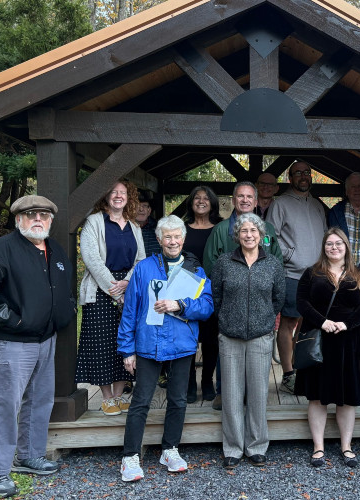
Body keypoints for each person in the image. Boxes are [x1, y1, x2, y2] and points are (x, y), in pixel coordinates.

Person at [0, 195, 76, 498]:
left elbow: (65, 291)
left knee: (39, 401)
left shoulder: (55, 251)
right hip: (13, 342)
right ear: (18, 220)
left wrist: (66, 311)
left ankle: (29, 456)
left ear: (51, 220)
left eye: (42, 215)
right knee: (6, 405)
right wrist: (13, 321)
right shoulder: (1, 250)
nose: (37, 219)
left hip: (46, 340)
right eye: (30, 215)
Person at [117, 215, 214, 482]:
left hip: (182, 345)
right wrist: (127, 349)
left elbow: (207, 307)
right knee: (141, 401)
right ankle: (130, 456)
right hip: (149, 344)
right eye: (167, 237)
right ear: (159, 240)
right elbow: (130, 311)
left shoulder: (195, 269)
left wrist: (180, 305)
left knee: (178, 400)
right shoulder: (144, 268)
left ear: (183, 239)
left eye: (177, 236)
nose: (172, 241)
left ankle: (170, 449)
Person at [211, 213, 286, 469]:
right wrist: (227, 320)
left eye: (253, 230)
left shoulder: (273, 264)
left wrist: (263, 322)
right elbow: (216, 297)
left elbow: (278, 299)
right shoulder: (224, 262)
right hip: (230, 336)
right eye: (244, 230)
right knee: (231, 395)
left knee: (257, 394)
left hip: (261, 336)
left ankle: (256, 446)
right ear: (237, 235)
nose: (249, 235)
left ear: (261, 234)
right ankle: (232, 448)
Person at [294, 228, 360, 468]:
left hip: (348, 343)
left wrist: (345, 324)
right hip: (319, 342)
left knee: (347, 398)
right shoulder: (311, 273)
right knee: (317, 397)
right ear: (324, 247)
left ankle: (346, 446)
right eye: (329, 244)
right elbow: (301, 302)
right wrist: (323, 322)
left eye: (339, 243)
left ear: (346, 246)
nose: (334, 247)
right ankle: (318, 447)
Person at [203, 181, 282, 409]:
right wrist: (222, 308)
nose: (245, 200)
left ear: (256, 202)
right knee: (226, 352)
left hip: (259, 306)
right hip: (229, 306)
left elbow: (277, 267)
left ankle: (253, 397)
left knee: (257, 360)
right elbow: (209, 269)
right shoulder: (220, 230)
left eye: (249, 197)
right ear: (233, 200)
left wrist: (268, 310)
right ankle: (223, 393)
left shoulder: (267, 229)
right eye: (240, 196)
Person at [75, 180, 146, 415]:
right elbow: (91, 258)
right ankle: (107, 397)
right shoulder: (94, 222)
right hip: (100, 289)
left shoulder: (134, 226)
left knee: (124, 343)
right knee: (101, 344)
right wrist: (115, 289)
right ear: (105, 195)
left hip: (128, 288)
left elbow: (141, 260)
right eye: (113, 192)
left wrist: (127, 283)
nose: (118, 196)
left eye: (123, 192)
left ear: (129, 197)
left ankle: (119, 393)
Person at [266, 160, 328, 394]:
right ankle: (289, 374)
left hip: (317, 276)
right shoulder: (280, 203)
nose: (303, 176)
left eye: (307, 172)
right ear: (290, 178)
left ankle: (303, 368)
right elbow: (268, 238)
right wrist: (290, 254)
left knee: (308, 322)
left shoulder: (317, 205)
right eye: (298, 173)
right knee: (289, 322)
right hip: (291, 274)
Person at [327, 172, 360, 389]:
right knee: (341, 319)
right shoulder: (335, 212)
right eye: (353, 187)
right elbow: (329, 242)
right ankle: (344, 366)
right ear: (346, 191)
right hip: (342, 274)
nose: (357, 190)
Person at [180, 186, 222, 403]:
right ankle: (188, 383)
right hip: (186, 291)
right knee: (188, 337)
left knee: (210, 340)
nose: (202, 201)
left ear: (212, 203)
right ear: (191, 202)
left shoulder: (220, 229)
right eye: (197, 198)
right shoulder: (182, 229)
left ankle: (207, 382)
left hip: (212, 290)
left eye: (206, 198)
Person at [135, 190, 161, 257]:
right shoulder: (122, 229)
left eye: (145, 206)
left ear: (149, 210)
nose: (141, 209)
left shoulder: (159, 229)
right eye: (137, 205)